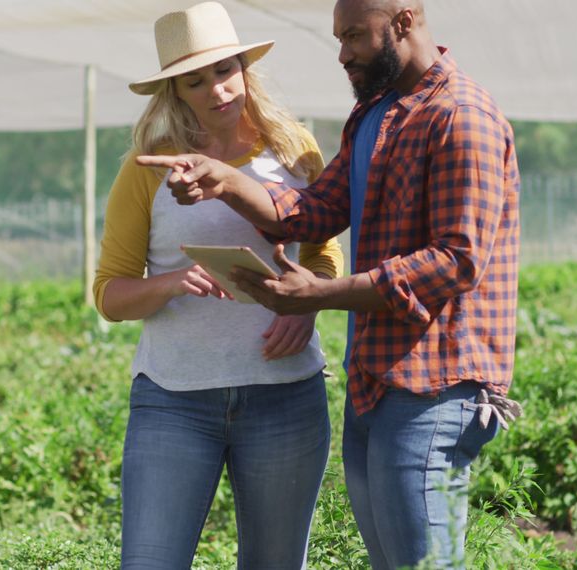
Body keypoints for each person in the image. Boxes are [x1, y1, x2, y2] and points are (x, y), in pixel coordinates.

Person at [137, 0, 523, 568]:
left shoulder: (461, 117)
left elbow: (457, 260)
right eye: (338, 39)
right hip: (376, 382)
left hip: (436, 385)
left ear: (404, 21)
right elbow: (314, 211)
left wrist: (321, 296)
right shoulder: (377, 115)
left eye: (354, 37)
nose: (342, 54)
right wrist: (228, 182)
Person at [93, 2, 345, 568]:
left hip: (285, 395)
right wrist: (172, 283)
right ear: (175, 91)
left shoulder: (294, 151)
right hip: (174, 401)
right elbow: (110, 294)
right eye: (196, 80)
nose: (217, 90)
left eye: (225, 70)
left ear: (244, 68)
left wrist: (305, 310)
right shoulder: (147, 170)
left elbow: (324, 255)